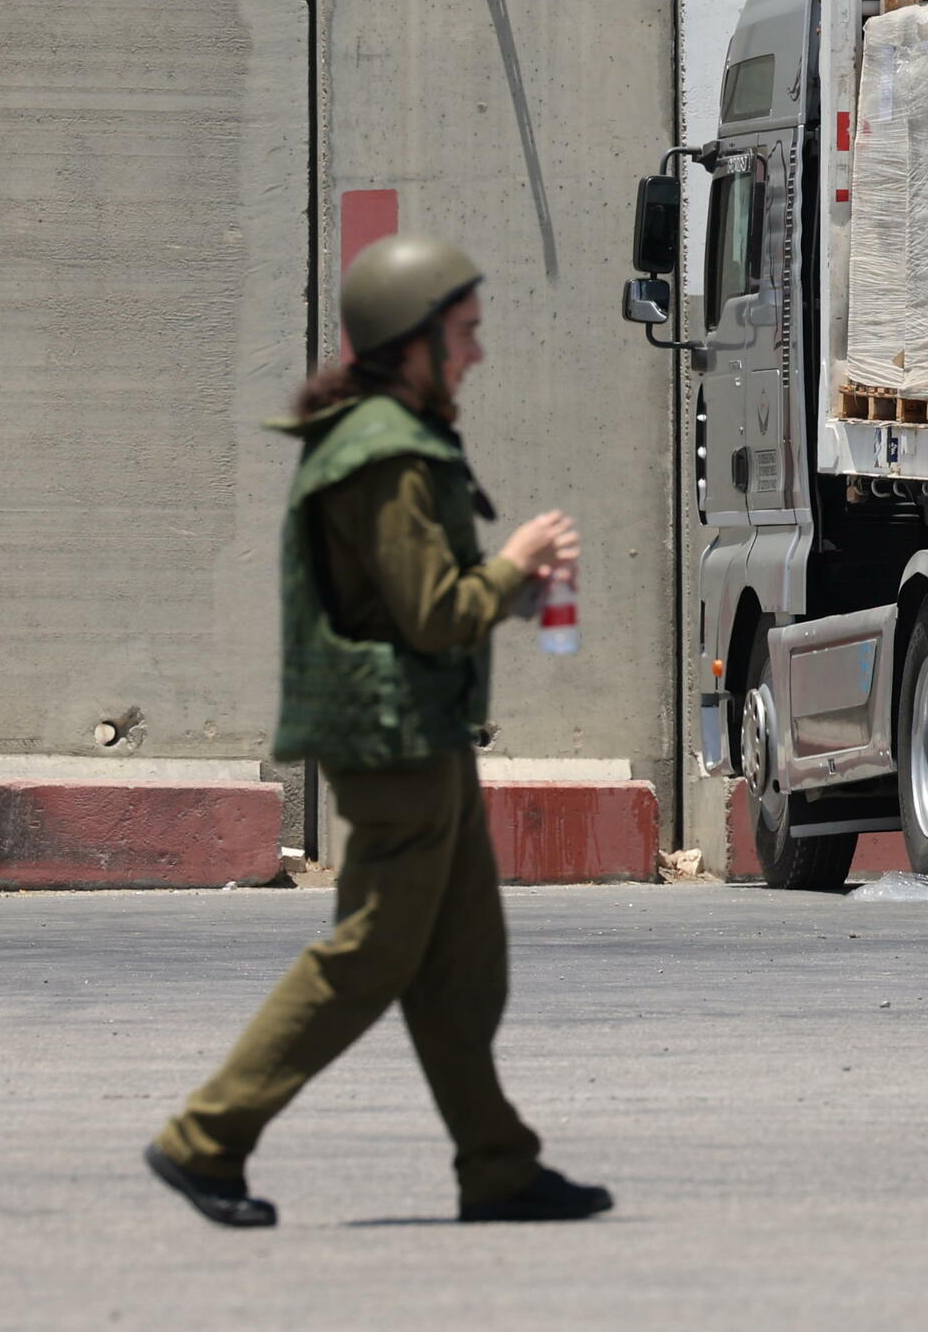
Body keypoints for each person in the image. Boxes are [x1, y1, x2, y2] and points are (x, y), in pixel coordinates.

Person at [144, 234, 612, 1228]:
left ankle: (497, 1162)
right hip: (395, 748)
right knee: (370, 953)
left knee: (461, 962)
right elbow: (435, 610)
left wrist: (519, 591)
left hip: (423, 736)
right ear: (412, 343)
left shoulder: (385, 436)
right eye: (465, 335)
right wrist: (515, 555)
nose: (476, 355)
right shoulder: (383, 454)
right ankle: (206, 1135)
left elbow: (425, 604)